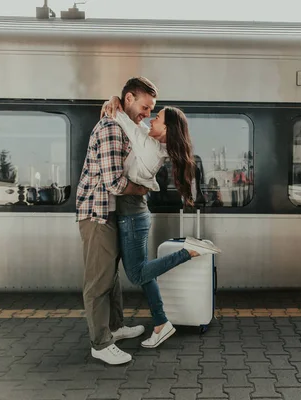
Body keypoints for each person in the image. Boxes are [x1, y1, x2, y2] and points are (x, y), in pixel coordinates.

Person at [100, 83, 221, 349]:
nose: (150, 119)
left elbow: (123, 119)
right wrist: (115, 99)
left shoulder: (150, 146)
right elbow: (136, 124)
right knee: (145, 274)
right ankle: (161, 322)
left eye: (157, 117)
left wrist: (115, 102)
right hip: (134, 213)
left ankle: (187, 251)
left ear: (165, 130)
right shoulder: (153, 142)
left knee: (137, 274)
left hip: (131, 215)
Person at [75, 78, 159, 365]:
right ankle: (100, 343)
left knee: (110, 276)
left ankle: (115, 327)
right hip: (97, 213)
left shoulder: (122, 123)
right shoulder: (111, 128)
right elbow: (113, 182)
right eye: (145, 107)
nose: (147, 113)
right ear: (129, 98)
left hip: (109, 213)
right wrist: (143, 189)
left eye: (151, 109)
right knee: (98, 281)